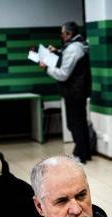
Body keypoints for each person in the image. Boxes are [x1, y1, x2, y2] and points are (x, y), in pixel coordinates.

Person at [40, 22, 92, 163]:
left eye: (62, 33)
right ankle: (85, 152)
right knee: (79, 122)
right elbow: (70, 60)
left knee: (74, 123)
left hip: (74, 92)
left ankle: (80, 154)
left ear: (69, 34)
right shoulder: (79, 45)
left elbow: (63, 74)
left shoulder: (74, 48)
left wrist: (46, 68)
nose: (61, 36)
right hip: (79, 91)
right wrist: (57, 52)